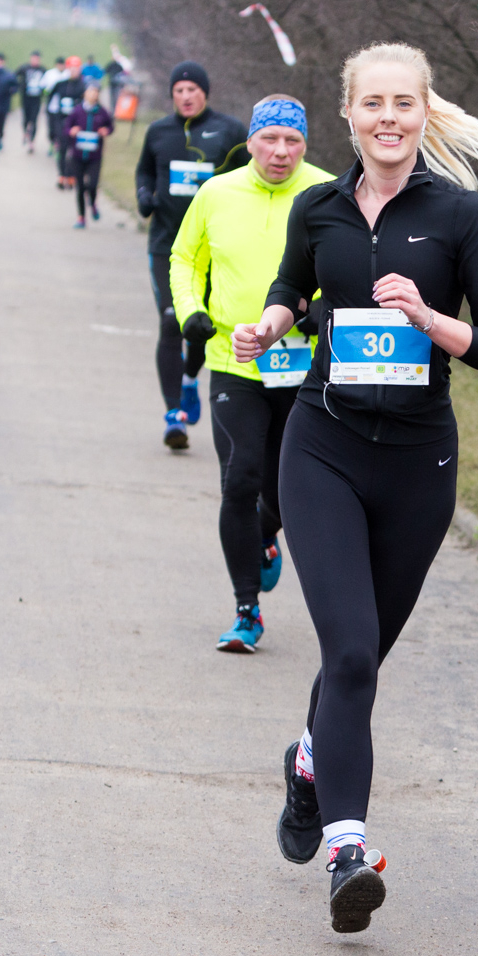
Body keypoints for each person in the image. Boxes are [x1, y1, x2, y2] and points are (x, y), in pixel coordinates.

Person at [231, 43, 478, 933]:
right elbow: (291, 285)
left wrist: (434, 323)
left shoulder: (460, 217)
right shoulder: (319, 207)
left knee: (364, 659)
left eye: (404, 103)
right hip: (322, 446)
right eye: (373, 104)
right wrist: (272, 320)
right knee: (350, 653)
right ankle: (349, 849)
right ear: (349, 114)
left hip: (417, 464)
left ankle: (310, 762)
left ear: (423, 113)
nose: (388, 118)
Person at [170, 96, 332, 651]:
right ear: (252, 141)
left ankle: (265, 535)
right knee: (239, 479)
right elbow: (185, 259)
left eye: (293, 141)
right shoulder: (217, 192)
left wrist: (321, 312)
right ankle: (247, 610)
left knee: (290, 491)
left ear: (305, 144)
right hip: (232, 359)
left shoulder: (329, 192)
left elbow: (357, 269)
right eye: (270, 140)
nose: (281, 152)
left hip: (306, 366)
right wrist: (191, 312)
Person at [134, 61, 248, 449]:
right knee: (171, 322)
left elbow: (250, 177)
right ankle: (173, 416)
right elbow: (145, 173)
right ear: (172, 95)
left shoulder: (231, 132)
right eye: (179, 90)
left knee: (199, 325)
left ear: (205, 92)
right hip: (167, 246)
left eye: (192, 90)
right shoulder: (158, 132)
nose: (185, 96)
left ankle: (188, 381)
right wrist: (144, 197)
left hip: (216, 247)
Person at [66, 84, 113, 228]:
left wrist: (106, 130)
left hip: (95, 156)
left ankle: (92, 204)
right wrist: (71, 131)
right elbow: (66, 128)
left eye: (96, 92)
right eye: (90, 91)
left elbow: (111, 126)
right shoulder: (77, 111)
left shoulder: (102, 112)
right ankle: (81, 217)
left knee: (92, 185)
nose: (93, 94)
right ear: (84, 94)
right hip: (78, 156)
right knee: (80, 187)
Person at [45, 67, 84, 190]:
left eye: (76, 69)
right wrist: (53, 115)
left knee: (74, 151)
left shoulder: (83, 85)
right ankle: (61, 175)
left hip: (77, 123)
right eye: (72, 69)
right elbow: (50, 99)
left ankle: (71, 175)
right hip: (62, 121)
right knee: (62, 149)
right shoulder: (60, 84)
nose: (74, 72)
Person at [16, 51, 48, 153]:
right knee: (26, 119)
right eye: (33, 58)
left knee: (34, 120)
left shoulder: (43, 70)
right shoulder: (24, 68)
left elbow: (47, 83)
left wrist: (44, 92)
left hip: (36, 99)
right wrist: (18, 87)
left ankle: (31, 142)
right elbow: (13, 76)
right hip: (25, 99)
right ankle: (26, 133)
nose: (35, 60)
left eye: (37, 58)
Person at [40, 56, 70, 160]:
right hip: (52, 106)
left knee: (61, 129)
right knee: (52, 128)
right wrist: (47, 92)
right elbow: (43, 88)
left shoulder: (68, 74)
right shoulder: (49, 74)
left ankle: (59, 147)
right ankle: (52, 142)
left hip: (64, 109)